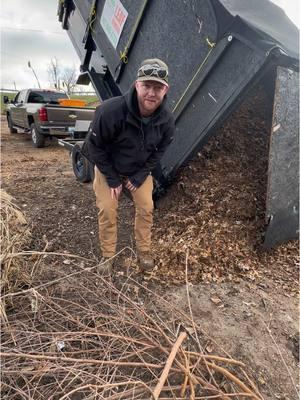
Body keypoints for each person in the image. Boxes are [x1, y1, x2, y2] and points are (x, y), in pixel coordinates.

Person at [86, 58, 175, 274]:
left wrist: (140, 175)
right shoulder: (110, 111)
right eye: (146, 86)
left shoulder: (167, 120)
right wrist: (113, 178)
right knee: (108, 210)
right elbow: (92, 147)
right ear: (137, 85)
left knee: (146, 208)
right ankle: (108, 255)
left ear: (166, 90)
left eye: (157, 87)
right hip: (109, 169)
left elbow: (160, 150)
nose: (151, 93)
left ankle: (143, 251)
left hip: (139, 171)